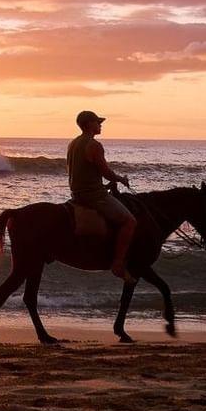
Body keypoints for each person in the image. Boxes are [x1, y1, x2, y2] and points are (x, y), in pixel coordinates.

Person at [67, 109, 137, 282]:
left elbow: (83, 172)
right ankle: (118, 263)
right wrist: (121, 179)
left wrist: (102, 184)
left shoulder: (73, 143)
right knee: (130, 222)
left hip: (77, 194)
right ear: (89, 125)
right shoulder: (94, 145)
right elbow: (105, 172)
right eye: (98, 122)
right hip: (94, 197)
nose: (100, 125)